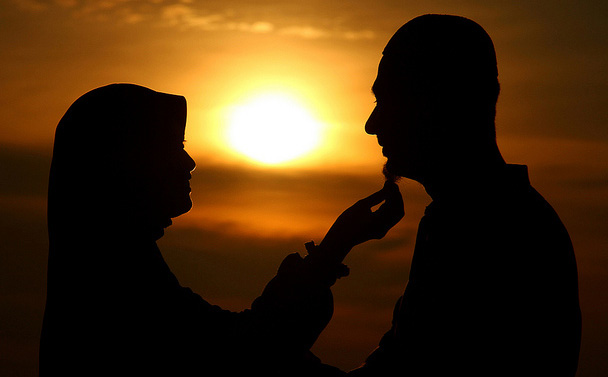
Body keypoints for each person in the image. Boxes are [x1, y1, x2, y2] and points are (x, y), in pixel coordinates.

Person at [39, 83, 403, 376]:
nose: (190, 161)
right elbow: (246, 354)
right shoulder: (112, 275)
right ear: (125, 163)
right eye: (172, 147)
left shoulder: (119, 262)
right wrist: (332, 251)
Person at [340, 14, 581, 376]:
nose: (372, 125)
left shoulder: (487, 233)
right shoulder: (486, 218)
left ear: (437, 102)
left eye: (388, 100)